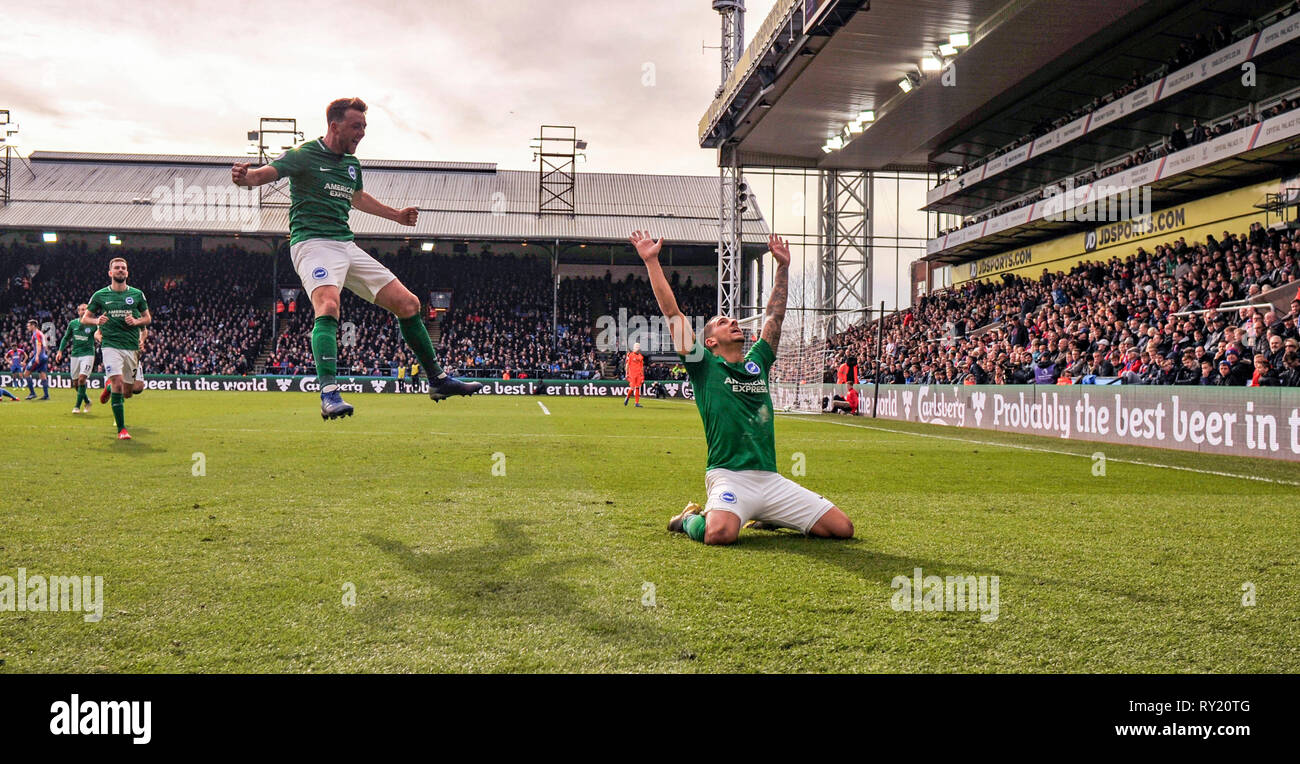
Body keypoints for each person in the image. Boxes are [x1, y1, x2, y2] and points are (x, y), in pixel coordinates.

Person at [232, 96, 481, 419]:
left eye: (364, 126)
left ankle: (438, 379)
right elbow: (266, 173)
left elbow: (357, 197)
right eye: (356, 126)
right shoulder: (304, 155)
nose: (361, 132)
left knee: (409, 304)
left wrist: (396, 215)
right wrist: (246, 178)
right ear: (335, 126)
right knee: (329, 305)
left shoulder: (352, 165)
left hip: (345, 245)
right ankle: (329, 393)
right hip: (312, 243)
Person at [631, 230, 854, 546]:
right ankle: (689, 518)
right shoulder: (703, 364)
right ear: (710, 342)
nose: (733, 322)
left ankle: (769, 515)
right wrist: (651, 260)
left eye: (733, 319)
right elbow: (672, 314)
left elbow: (774, 315)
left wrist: (783, 267)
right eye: (723, 322)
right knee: (719, 534)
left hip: (770, 479)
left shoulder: (758, 361)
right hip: (729, 476)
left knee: (842, 529)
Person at [83, 257, 151, 440]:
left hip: (131, 348)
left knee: (130, 391)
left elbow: (147, 319)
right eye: (117, 268)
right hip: (111, 345)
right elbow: (85, 319)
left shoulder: (137, 295)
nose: (120, 270)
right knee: (118, 383)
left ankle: (108, 388)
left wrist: (136, 322)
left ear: (127, 273)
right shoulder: (100, 295)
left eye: (123, 268)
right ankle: (122, 429)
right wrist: (97, 321)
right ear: (110, 273)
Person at [57, 303, 98, 413]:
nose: (83, 311)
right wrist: (60, 351)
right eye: (81, 310)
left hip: (88, 354)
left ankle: (77, 407)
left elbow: (99, 334)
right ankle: (87, 401)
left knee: (81, 379)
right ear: (78, 312)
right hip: (75, 355)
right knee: (75, 384)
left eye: (85, 309)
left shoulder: (94, 324)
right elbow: (66, 338)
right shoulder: (73, 323)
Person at [24, 320, 50, 400]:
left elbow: (39, 345)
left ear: (33, 326)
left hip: (39, 356)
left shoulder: (36, 334)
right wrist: (34, 352)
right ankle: (46, 395)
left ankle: (32, 393)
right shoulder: (40, 333)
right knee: (42, 375)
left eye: (29, 326)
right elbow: (45, 346)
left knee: (26, 373)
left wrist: (37, 356)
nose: (28, 327)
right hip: (44, 356)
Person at [624, 341, 645, 407]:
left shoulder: (641, 357)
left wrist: (642, 375)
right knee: (632, 388)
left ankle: (636, 403)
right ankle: (627, 397)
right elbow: (627, 365)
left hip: (638, 374)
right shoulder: (630, 355)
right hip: (632, 374)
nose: (639, 350)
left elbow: (642, 367)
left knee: (637, 388)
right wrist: (626, 373)